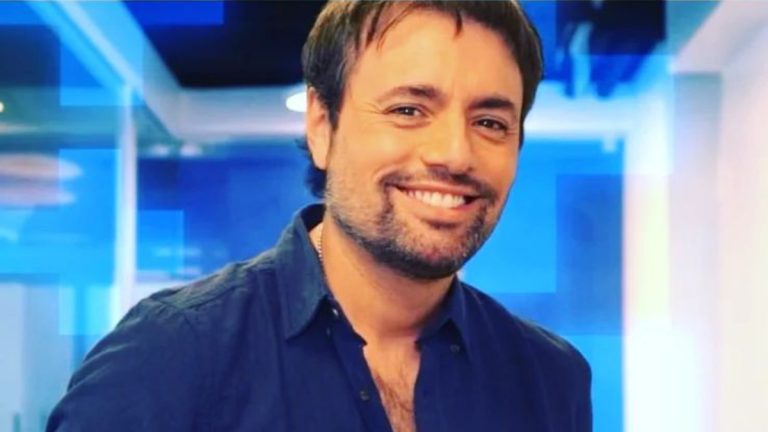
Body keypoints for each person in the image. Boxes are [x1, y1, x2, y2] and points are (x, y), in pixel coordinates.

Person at [47, 1, 592, 431]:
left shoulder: (549, 378)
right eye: (408, 110)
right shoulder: (169, 355)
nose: (455, 153)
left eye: (491, 122)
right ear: (322, 126)